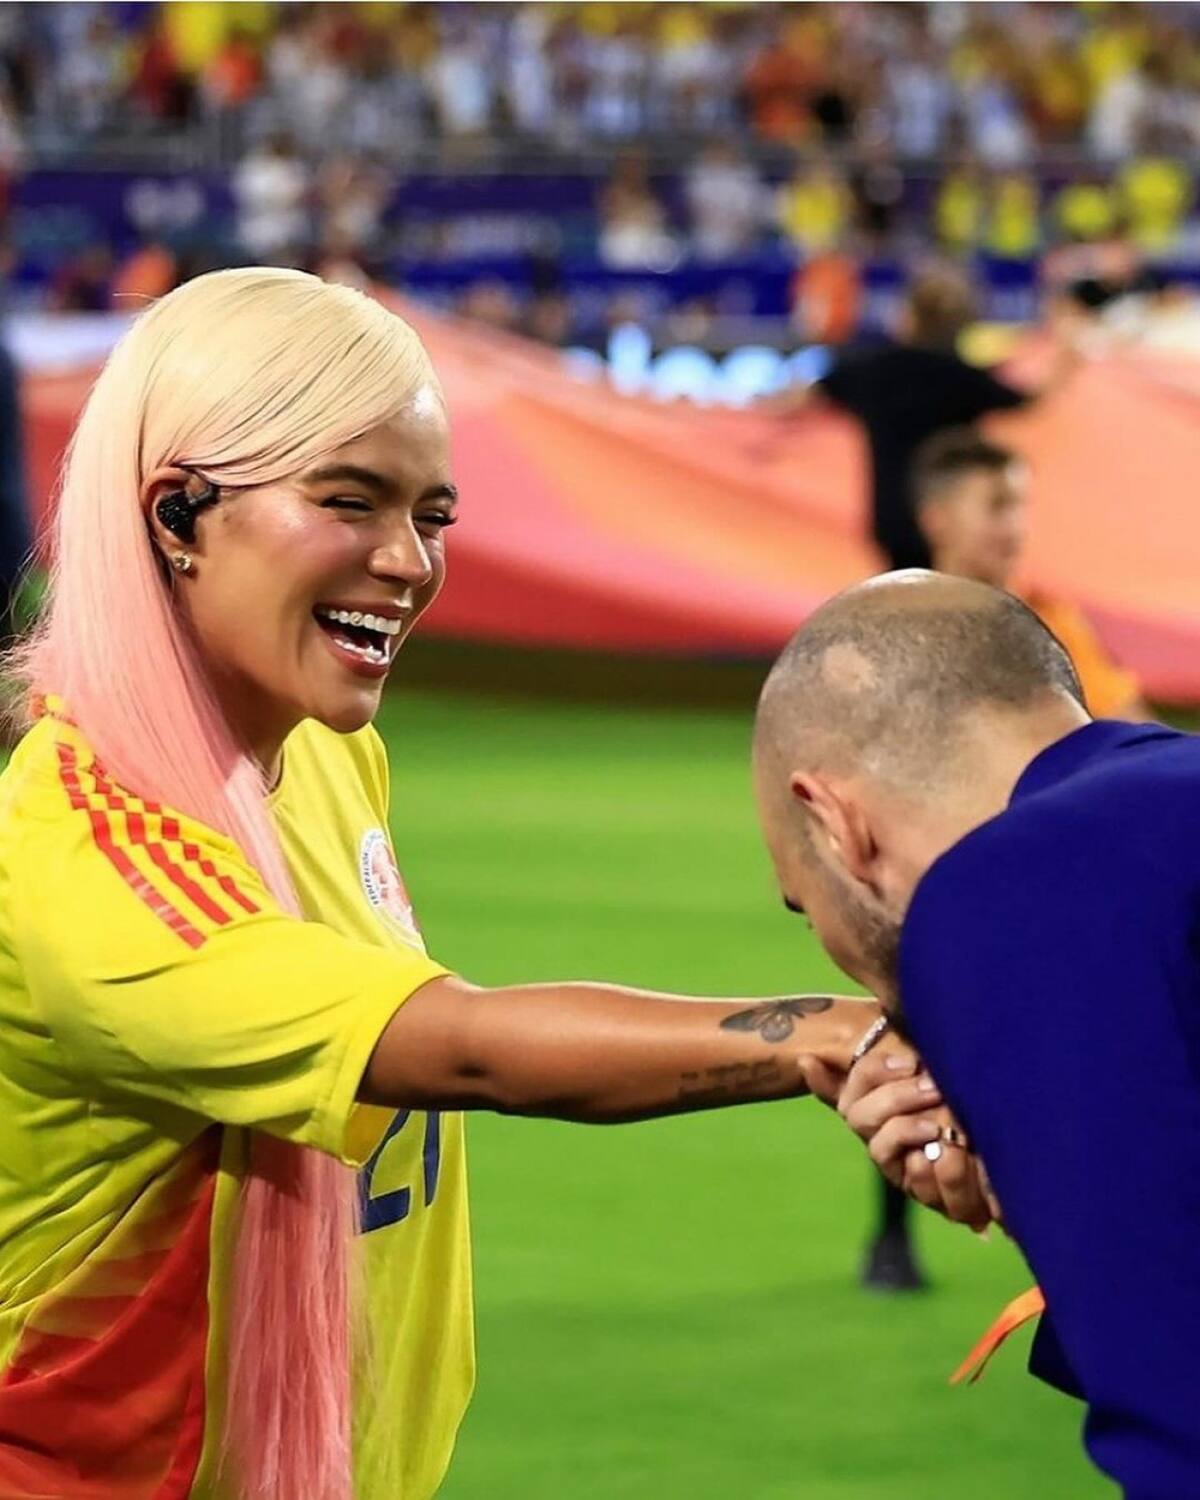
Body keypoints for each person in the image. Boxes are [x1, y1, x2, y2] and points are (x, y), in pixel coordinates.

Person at [0, 267, 879, 1500]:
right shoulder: (82, 845)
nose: (408, 562)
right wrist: (828, 1038)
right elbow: (457, 1048)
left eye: (434, 515)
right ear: (176, 515)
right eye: (349, 500)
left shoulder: (329, 756)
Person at [753, 571, 1200, 1497]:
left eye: (803, 907)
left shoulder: (1015, 890)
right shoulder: (1162, 806)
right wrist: (1039, 1165)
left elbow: (1180, 1416)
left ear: (835, 824)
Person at [770, 266, 1079, 574]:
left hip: (891, 523)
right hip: (954, 527)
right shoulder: (965, 378)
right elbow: (1031, 397)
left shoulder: (873, 370)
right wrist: (1068, 358)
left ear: (909, 317)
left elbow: (797, 400)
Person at [913, 428, 1150, 721]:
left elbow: (1128, 725)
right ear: (937, 519)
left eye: (1019, 505)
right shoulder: (898, 626)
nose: (1015, 528)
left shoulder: (1050, 620)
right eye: (997, 505)